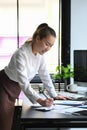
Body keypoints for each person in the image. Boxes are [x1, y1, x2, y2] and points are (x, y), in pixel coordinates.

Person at [0, 23, 69, 130]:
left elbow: (45, 75)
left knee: (9, 121)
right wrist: (40, 100)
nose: (48, 48)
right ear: (37, 38)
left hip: (15, 87)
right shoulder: (21, 54)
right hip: (4, 85)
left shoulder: (39, 56)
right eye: (47, 44)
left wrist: (54, 95)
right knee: (4, 124)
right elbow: (24, 83)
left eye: (51, 46)